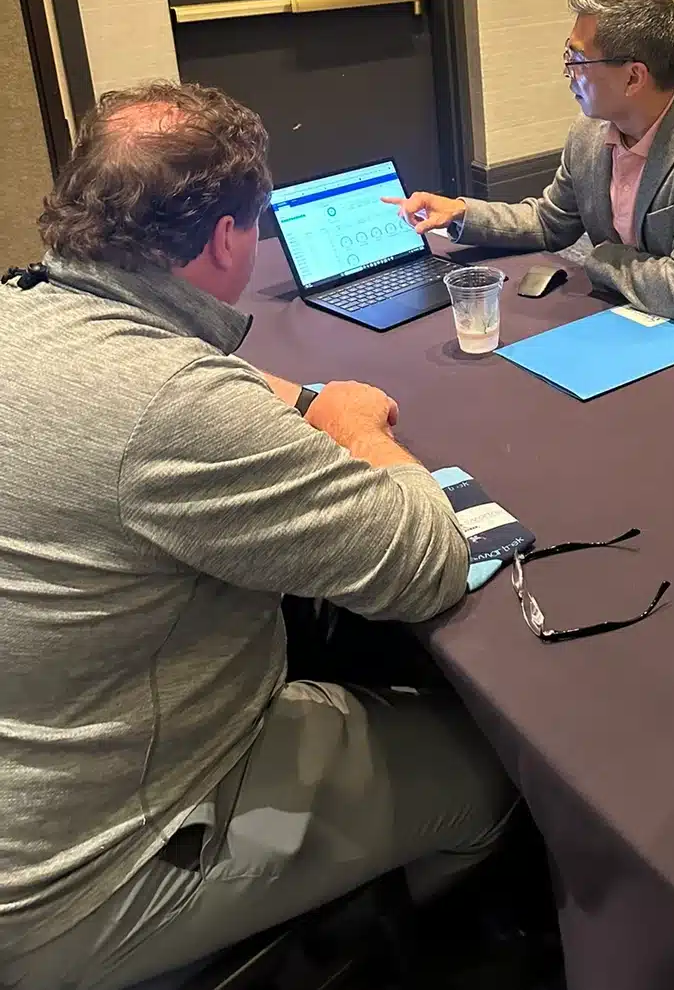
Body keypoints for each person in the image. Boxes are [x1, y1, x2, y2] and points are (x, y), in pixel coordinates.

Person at [0, 83, 513, 990]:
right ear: (227, 239)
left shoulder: (26, 306)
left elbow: (177, 386)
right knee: (493, 775)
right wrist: (355, 427)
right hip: (97, 873)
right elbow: (425, 561)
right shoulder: (172, 407)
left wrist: (303, 400)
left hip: (41, 780)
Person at [387, 0, 674, 323]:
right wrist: (461, 212)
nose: (567, 72)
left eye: (578, 59)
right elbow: (549, 222)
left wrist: (600, 258)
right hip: (622, 315)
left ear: (634, 77)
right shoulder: (590, 131)